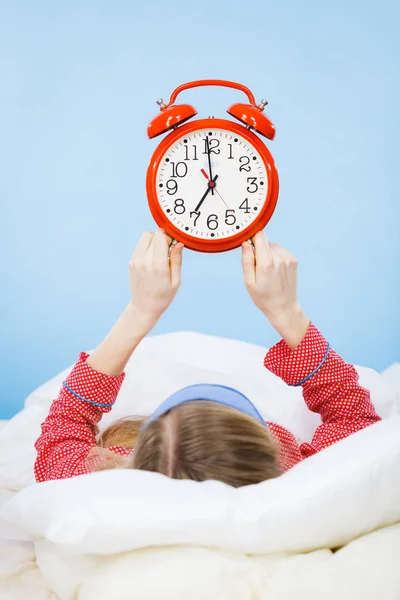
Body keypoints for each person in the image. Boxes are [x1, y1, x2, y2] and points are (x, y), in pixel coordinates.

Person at [34, 230, 381, 487]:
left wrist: (140, 312)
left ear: (140, 455)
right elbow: (355, 418)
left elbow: (64, 424)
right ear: (271, 450)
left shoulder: (100, 476)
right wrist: (286, 311)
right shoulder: (298, 475)